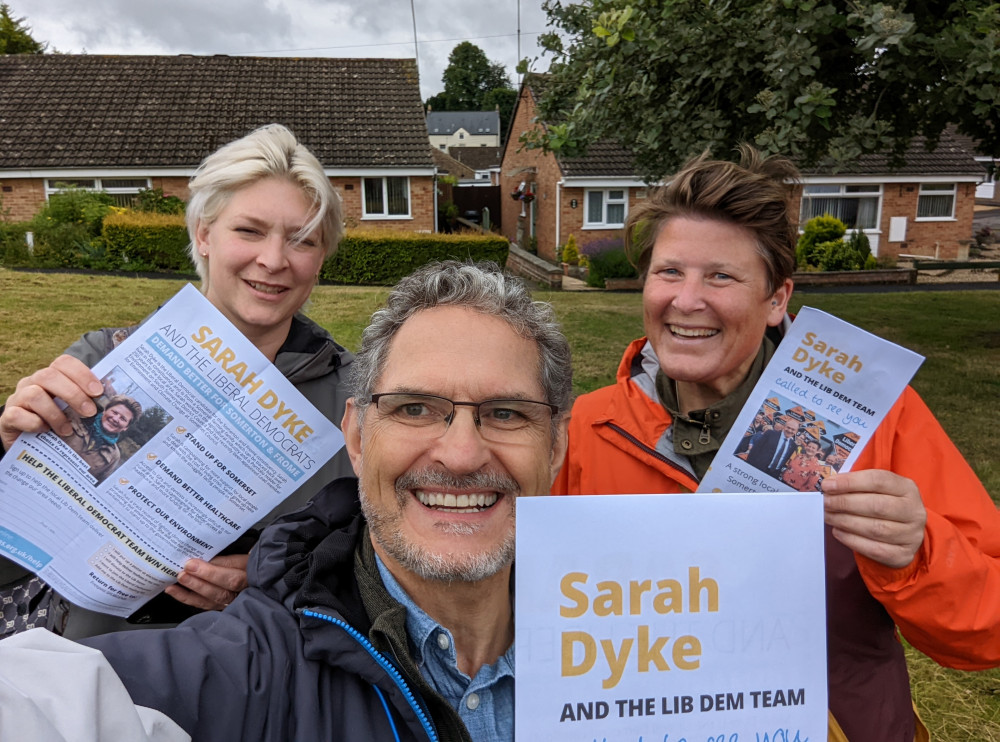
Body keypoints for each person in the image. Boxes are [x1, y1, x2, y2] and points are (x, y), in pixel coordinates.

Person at [0, 261, 573, 742]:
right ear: (355, 435)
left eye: (506, 413)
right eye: (414, 408)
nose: (462, 453)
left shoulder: (640, 632)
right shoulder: (246, 669)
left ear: (556, 446)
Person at [552, 146, 1000, 742]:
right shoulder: (585, 428)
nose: (687, 300)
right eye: (669, 272)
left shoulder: (873, 418)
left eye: (721, 276)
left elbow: (985, 631)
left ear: (777, 299)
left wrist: (916, 552)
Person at [0, 124, 355, 638]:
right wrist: (10, 453)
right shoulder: (101, 362)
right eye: (249, 231)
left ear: (321, 259)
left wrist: (276, 582)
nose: (274, 261)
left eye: (302, 240)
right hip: (91, 656)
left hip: (260, 673)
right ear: (204, 235)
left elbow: (385, 562)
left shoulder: (359, 399)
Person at [63, 394, 142, 483]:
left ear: (126, 427)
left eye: (123, 419)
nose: (116, 419)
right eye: (114, 412)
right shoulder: (74, 416)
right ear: (105, 410)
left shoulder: (114, 456)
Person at [744, 413, 800, 479]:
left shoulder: (793, 445)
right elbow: (755, 450)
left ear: (796, 431)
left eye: (793, 429)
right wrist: (747, 467)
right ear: (784, 427)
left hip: (773, 475)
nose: (790, 430)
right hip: (758, 469)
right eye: (788, 427)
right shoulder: (770, 433)